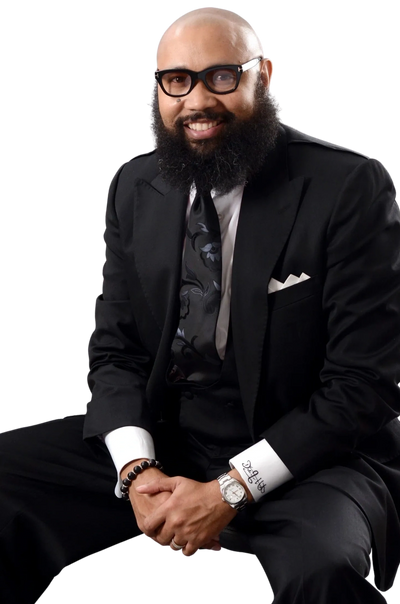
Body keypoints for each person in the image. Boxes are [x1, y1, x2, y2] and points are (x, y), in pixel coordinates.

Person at [1, 5, 399, 603]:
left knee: (324, 565)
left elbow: (364, 384)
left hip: (315, 455)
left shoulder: (351, 184)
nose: (197, 101)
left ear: (265, 74)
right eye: (177, 80)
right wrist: (138, 472)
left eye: (221, 76)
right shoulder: (132, 185)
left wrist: (230, 491)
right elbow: (115, 351)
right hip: (176, 437)